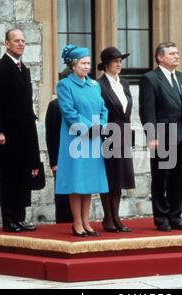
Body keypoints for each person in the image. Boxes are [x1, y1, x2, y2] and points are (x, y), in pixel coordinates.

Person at [0, 28, 40, 233]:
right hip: (6, 135)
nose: (21, 44)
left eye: (23, 40)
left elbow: (26, 105)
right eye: (16, 40)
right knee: (9, 177)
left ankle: (20, 218)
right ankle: (9, 220)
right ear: (6, 43)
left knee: (23, 176)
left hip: (24, 133)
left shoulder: (24, 70)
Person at [139, 42, 182, 232]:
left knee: (179, 180)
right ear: (160, 57)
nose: (177, 56)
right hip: (163, 136)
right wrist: (152, 135)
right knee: (161, 179)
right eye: (172, 53)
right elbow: (147, 111)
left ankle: (175, 216)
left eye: (177, 53)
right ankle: (161, 218)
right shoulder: (150, 79)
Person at [55, 44, 109, 237]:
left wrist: (101, 126)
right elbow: (69, 112)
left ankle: (87, 222)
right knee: (77, 183)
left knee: (89, 183)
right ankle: (77, 222)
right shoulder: (64, 85)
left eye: (88, 63)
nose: (87, 67)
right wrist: (90, 128)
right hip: (76, 139)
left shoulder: (94, 85)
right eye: (83, 63)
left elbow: (104, 109)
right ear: (73, 65)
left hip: (93, 139)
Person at [97, 47, 135, 233]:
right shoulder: (99, 85)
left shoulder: (125, 84)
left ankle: (116, 216)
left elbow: (127, 110)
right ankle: (108, 218)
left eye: (121, 61)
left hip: (124, 132)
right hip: (108, 132)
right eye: (115, 61)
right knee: (109, 176)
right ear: (106, 65)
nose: (119, 64)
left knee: (120, 177)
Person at [45, 97, 73, 223]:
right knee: (63, 196)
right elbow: (51, 136)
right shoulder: (55, 106)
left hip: (79, 156)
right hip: (62, 158)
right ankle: (63, 223)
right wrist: (54, 163)